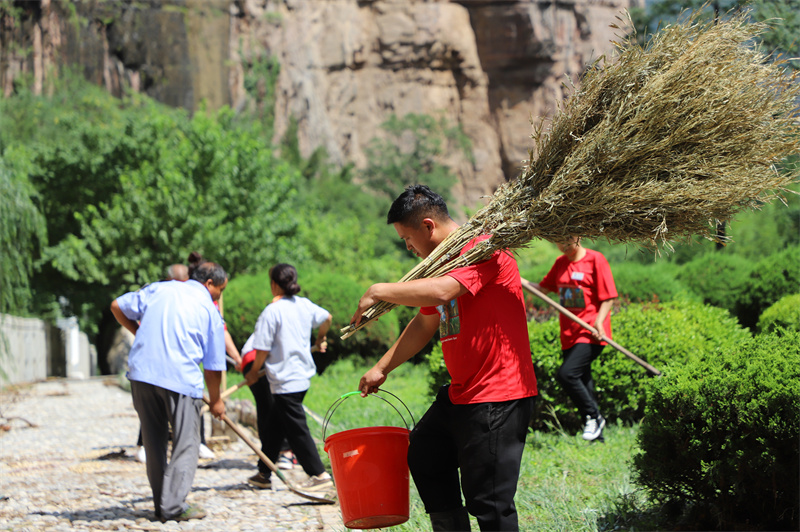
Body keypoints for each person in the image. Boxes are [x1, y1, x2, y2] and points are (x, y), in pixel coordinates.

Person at [351, 184, 538, 532]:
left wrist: (378, 290)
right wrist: (381, 367)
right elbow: (425, 321)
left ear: (427, 226)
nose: (408, 248)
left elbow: (443, 291)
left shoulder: (483, 248)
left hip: (498, 395)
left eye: (407, 239)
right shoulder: (441, 262)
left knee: (490, 502)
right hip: (463, 393)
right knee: (425, 454)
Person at [110, 261, 228, 522]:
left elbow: (117, 305)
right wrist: (217, 402)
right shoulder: (210, 310)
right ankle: (173, 507)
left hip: (142, 374)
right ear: (210, 285)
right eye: (220, 290)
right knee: (187, 444)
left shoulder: (159, 289)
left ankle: (161, 504)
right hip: (180, 378)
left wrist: (137, 331)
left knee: (154, 443)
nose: (219, 296)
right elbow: (213, 367)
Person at [244, 264, 333, 492]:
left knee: (296, 429)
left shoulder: (271, 311)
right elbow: (327, 318)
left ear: (274, 284)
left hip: (285, 381)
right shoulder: (304, 305)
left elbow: (262, 349)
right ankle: (264, 473)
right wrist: (320, 338)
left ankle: (319, 474)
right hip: (300, 377)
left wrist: (254, 372)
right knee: (275, 426)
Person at [530, 236, 617, 441]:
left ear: (578, 237)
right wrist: (517, 279)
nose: (564, 245)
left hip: (591, 332)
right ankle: (597, 435)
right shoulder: (560, 263)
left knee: (567, 374)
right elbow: (543, 288)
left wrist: (599, 321)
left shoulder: (596, 259)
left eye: (568, 240)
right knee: (584, 380)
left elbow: (609, 297)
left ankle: (595, 417)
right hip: (568, 333)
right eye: (559, 242)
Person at [134, 262, 221, 463]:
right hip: (154, 364)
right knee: (153, 408)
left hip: (183, 365)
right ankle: (145, 444)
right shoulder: (156, 295)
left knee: (191, 402)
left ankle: (197, 442)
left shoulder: (199, 301)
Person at [239, 333, 300, 487]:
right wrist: (255, 369)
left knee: (267, 408)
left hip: (253, 361)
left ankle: (267, 464)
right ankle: (283, 454)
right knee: (277, 408)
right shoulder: (280, 315)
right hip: (260, 362)